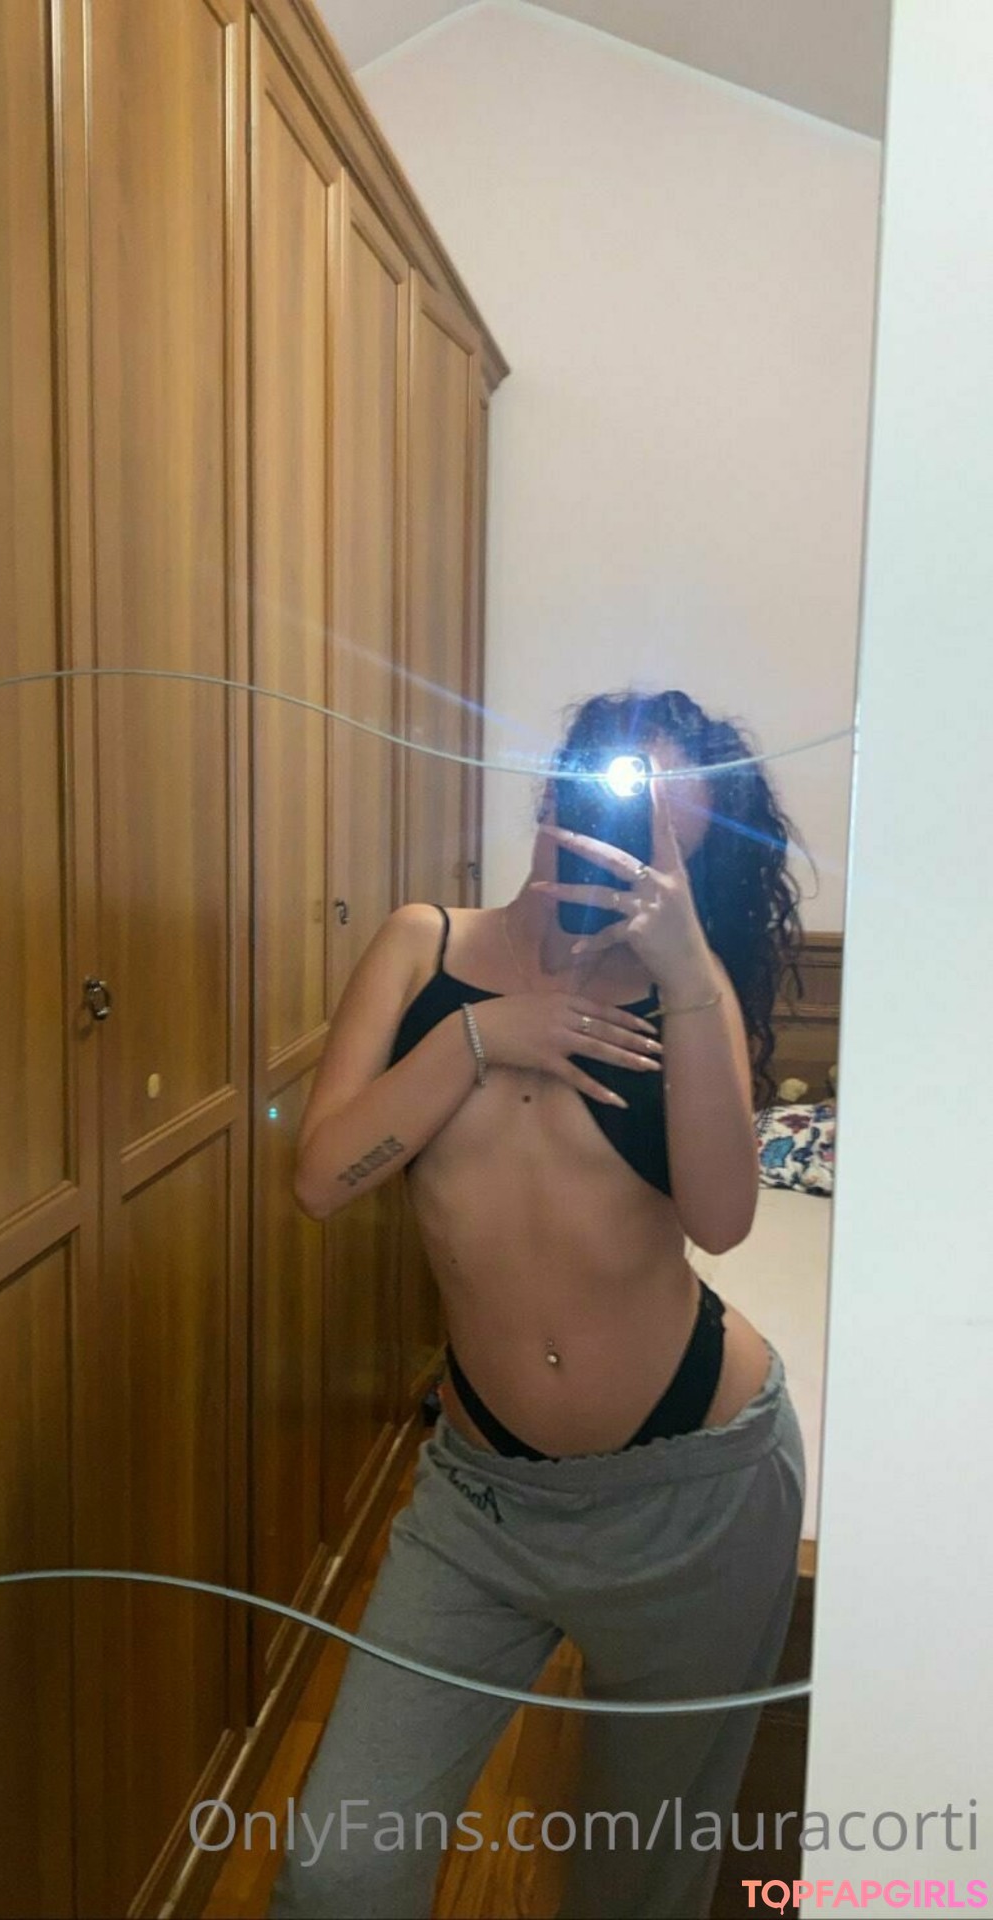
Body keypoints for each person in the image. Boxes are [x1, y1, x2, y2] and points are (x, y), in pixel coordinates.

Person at [268, 688, 807, 1920]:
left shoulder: (690, 992)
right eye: (619, 805)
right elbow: (320, 1178)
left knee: (635, 1882)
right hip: (483, 1502)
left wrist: (687, 976)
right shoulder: (422, 948)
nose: (628, 853)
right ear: (561, 789)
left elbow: (723, 1217)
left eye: (672, 843)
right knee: (339, 1874)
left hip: (699, 1498)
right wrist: (478, 1039)